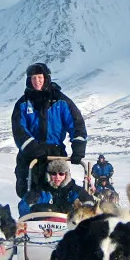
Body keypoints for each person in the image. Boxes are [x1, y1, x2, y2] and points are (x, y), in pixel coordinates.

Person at [11, 62, 87, 199]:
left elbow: (76, 124)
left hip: (55, 153)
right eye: (33, 78)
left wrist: (78, 148)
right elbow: (19, 130)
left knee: (59, 190)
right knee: (28, 193)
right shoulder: (23, 104)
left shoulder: (61, 101)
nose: (37, 81)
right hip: (30, 155)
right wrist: (32, 148)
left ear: (46, 78)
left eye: (40, 77)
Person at [18, 157, 86, 216]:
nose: (57, 177)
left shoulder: (75, 191)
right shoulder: (40, 191)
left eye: (61, 174)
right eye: (53, 174)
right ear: (49, 175)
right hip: (42, 224)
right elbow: (24, 207)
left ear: (66, 175)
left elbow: (89, 206)